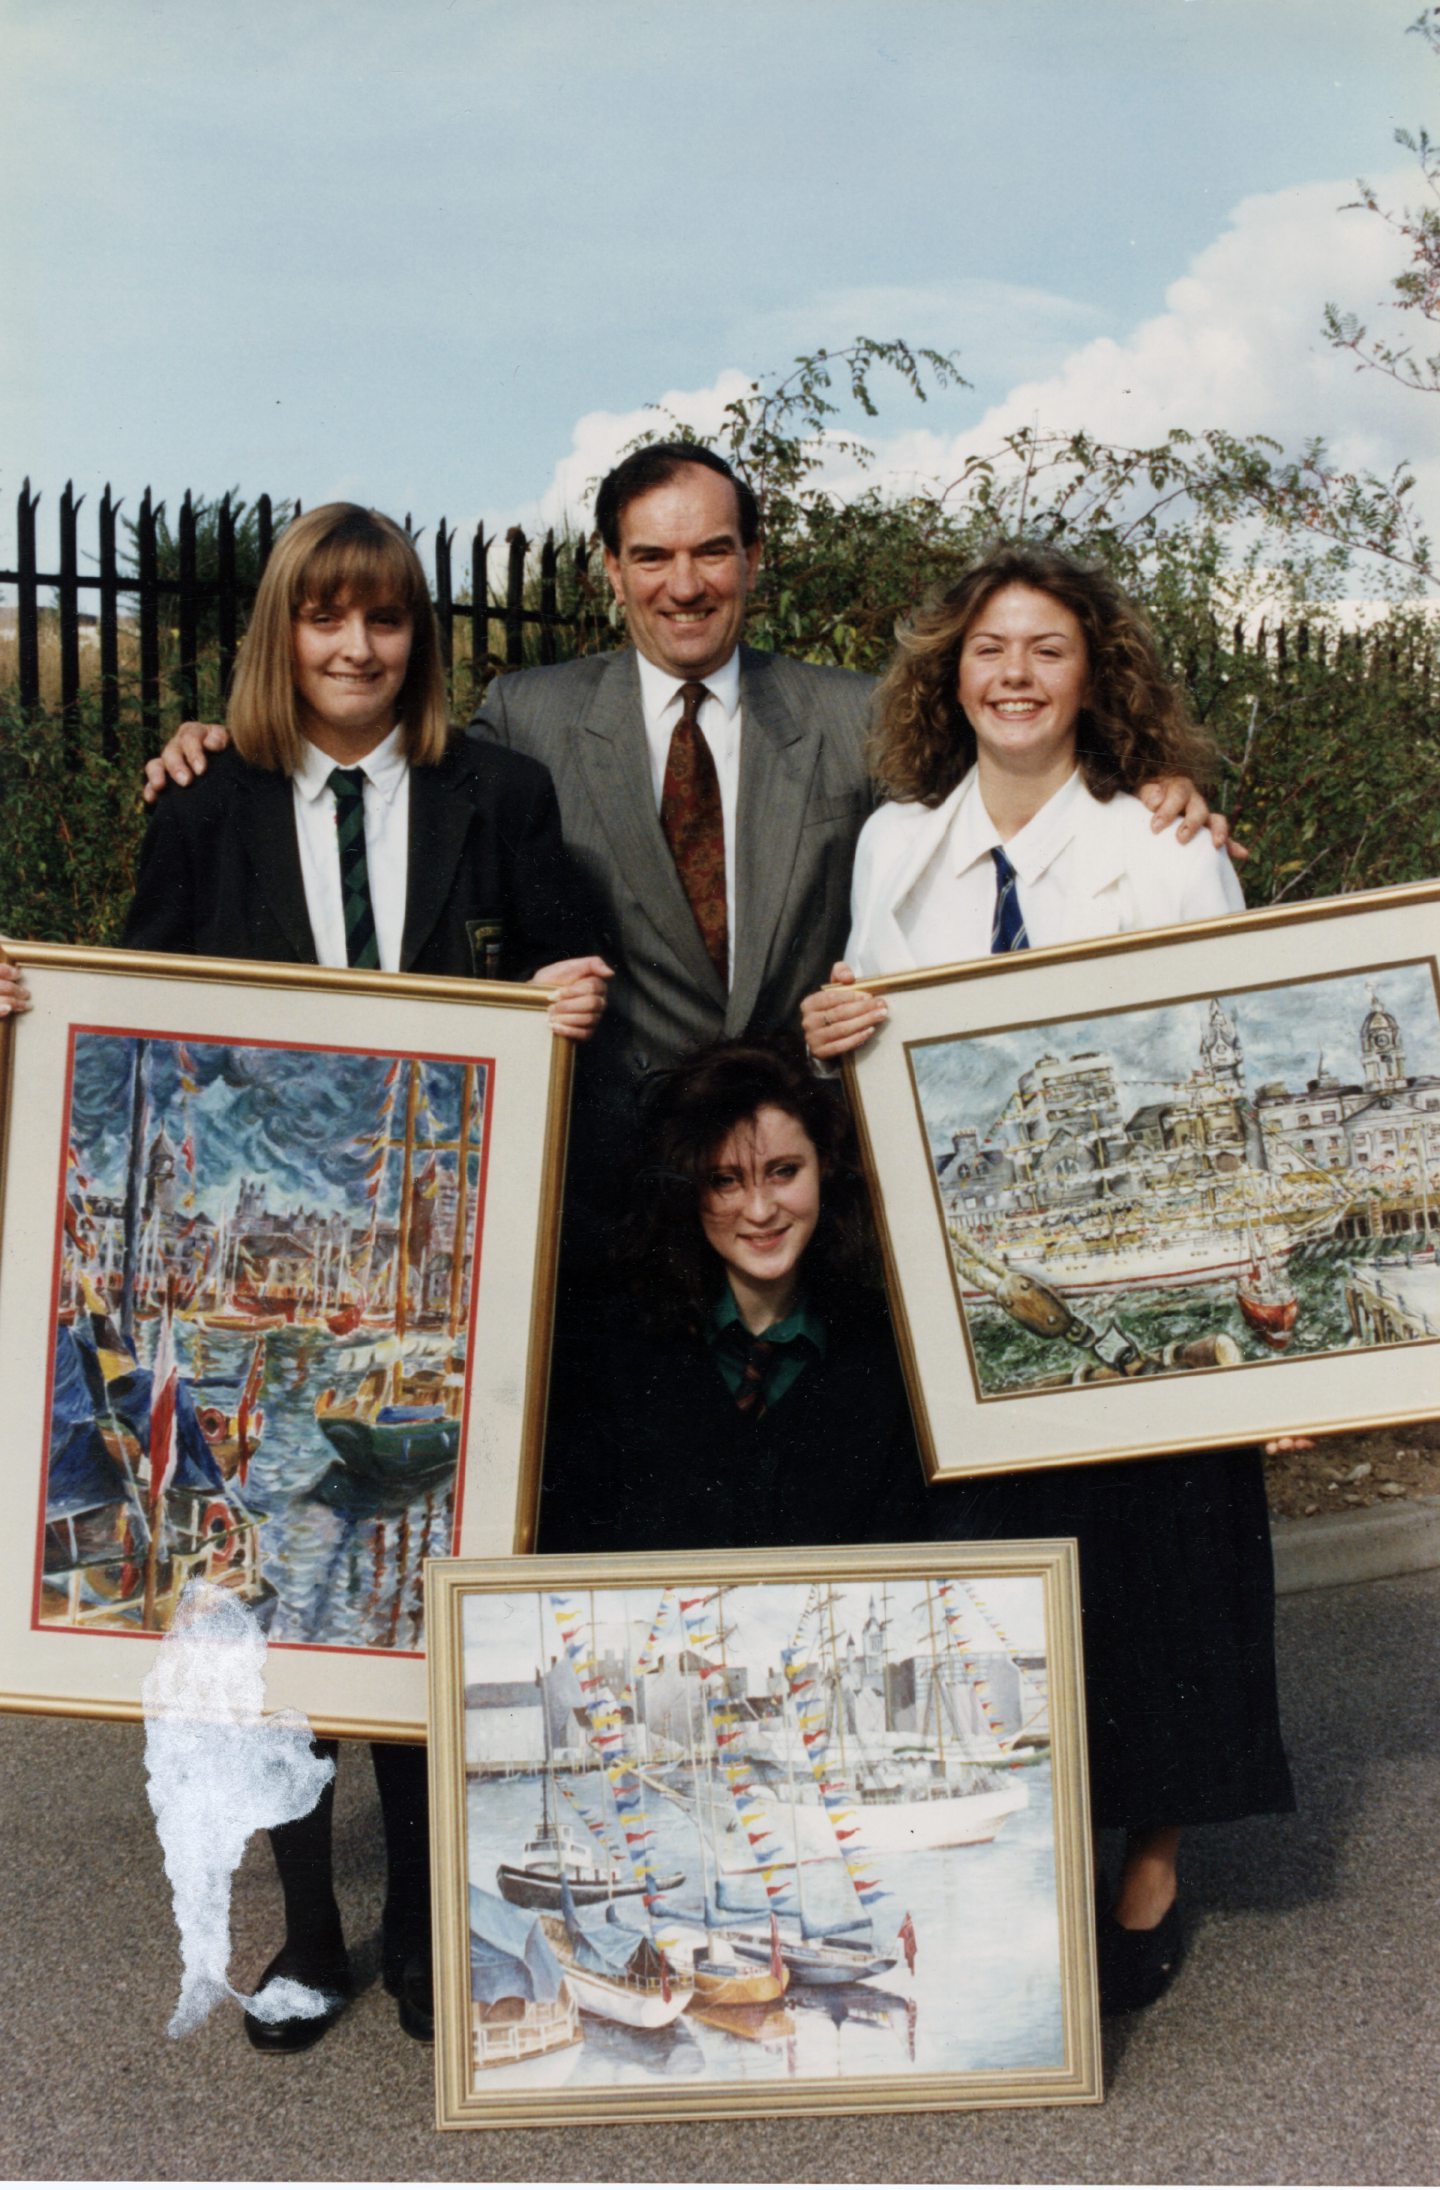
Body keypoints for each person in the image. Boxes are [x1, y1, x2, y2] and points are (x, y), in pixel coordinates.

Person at [10, 501, 609, 2058]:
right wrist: (36, 1012)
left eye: (387, 619)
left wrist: (565, 997)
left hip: (448, 1281)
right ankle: (313, 1927)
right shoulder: (209, 805)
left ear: (420, 637)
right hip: (262, 1302)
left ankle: (423, 1922)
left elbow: (562, 995)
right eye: (325, 620)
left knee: (421, 1592)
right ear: (282, 635)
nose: (355, 648)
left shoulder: (504, 794)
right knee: (267, 1614)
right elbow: (141, 1014)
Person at [137, 445, 1230, 1212]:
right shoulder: (527, 719)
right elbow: (387, 777)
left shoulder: (854, 717)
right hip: (620, 1171)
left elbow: (1001, 774)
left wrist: (1155, 783)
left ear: (753, 560)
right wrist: (222, 741)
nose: (684, 584)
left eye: (711, 551)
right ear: (610, 570)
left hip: (805, 1163)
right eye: (651, 558)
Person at [802, 541, 1294, 2014]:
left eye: (1048, 650)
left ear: (1098, 677)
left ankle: (1150, 1850)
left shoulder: (1167, 844)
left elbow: (1237, 1038)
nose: (1015, 676)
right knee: (985, 1557)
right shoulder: (896, 842)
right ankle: (1007, 1844)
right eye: (990, 650)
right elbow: (863, 1024)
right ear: (951, 673)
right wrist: (835, 1025)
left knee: (1155, 1554)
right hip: (957, 1278)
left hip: (1135, 1268)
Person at [537, 1034, 929, 1555]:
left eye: (784, 1171)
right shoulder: (609, 1345)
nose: (761, 1210)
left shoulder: (893, 1350)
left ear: (825, 1167)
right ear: (686, 1188)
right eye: (725, 1181)